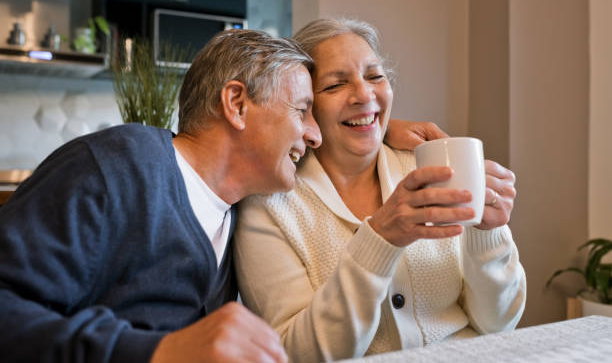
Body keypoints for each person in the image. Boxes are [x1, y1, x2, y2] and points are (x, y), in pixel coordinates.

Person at [0, 28, 444, 363]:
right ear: (236, 104)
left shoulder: (243, 212)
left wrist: (382, 132)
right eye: (302, 111)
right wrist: (160, 352)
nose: (313, 135)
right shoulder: (118, 167)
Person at [234, 18, 527, 362]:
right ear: (305, 105)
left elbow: (498, 323)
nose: (364, 95)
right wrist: (380, 239)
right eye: (334, 85)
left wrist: (488, 234)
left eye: (375, 77)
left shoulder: (431, 170)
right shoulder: (269, 205)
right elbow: (302, 354)